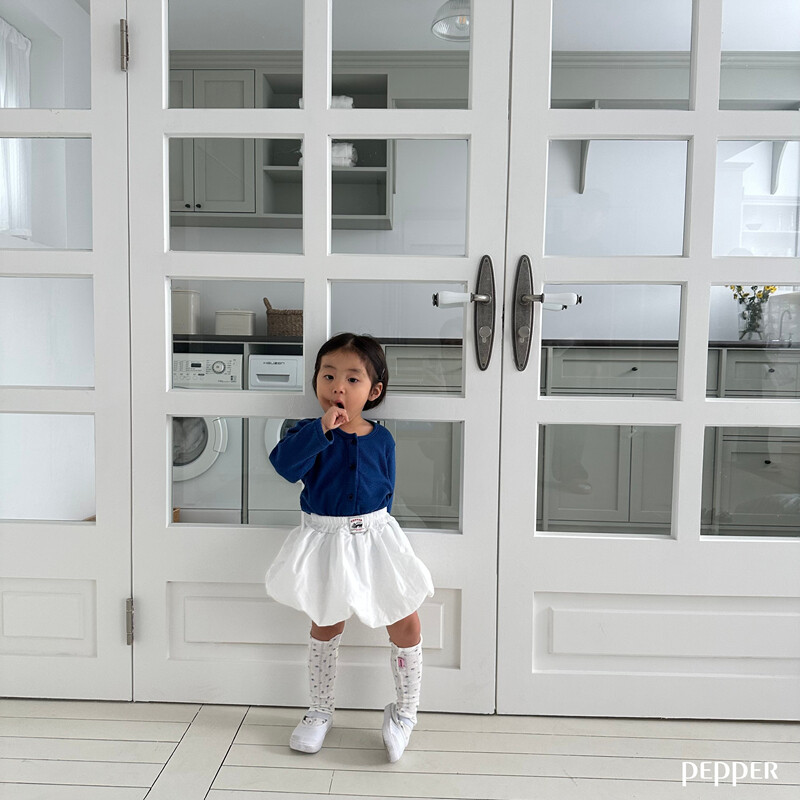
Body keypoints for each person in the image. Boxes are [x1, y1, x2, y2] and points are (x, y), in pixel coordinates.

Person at [265, 332, 434, 762]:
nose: (338, 387)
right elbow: (285, 466)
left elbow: (386, 490)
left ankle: (405, 713)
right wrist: (322, 430)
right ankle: (320, 710)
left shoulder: (382, 439)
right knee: (325, 622)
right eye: (328, 376)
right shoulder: (307, 433)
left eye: (352, 379)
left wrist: (375, 532)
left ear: (374, 391)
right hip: (326, 539)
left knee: (406, 620)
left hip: (376, 539)